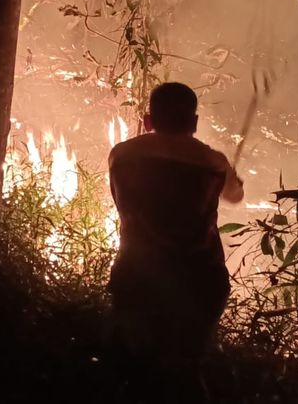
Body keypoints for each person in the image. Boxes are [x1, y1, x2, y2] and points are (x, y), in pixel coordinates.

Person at [107, 82, 244, 403]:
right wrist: (231, 174)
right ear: (194, 123)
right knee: (185, 368)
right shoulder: (213, 163)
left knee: (136, 368)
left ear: (147, 121)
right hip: (200, 279)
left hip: (136, 276)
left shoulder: (121, 155)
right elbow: (235, 195)